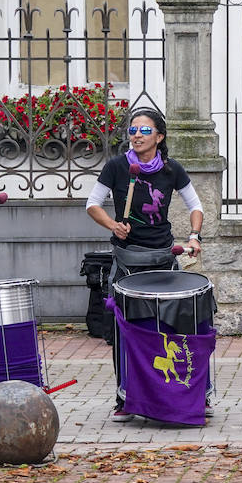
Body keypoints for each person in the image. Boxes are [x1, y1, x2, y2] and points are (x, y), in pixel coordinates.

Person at [86, 108, 204, 421]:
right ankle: (124, 397)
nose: (137, 135)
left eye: (145, 130)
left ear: (160, 137)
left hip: (163, 258)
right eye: (133, 130)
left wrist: (194, 235)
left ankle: (182, 394)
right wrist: (113, 225)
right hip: (128, 260)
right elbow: (92, 205)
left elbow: (196, 206)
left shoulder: (171, 169)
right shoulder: (117, 166)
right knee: (127, 330)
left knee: (170, 330)